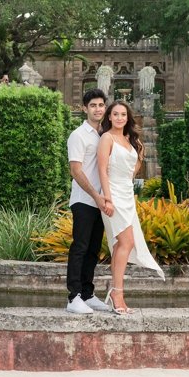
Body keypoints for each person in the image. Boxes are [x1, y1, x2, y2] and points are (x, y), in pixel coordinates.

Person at [96, 100, 164, 314]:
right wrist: (107, 198)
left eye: (123, 114)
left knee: (119, 245)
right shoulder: (106, 138)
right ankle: (118, 293)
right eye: (115, 114)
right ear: (109, 117)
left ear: (127, 118)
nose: (119, 118)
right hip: (113, 195)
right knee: (126, 242)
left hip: (127, 195)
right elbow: (102, 170)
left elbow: (131, 172)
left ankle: (114, 289)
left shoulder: (128, 139)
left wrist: (139, 155)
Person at [64, 88, 113, 314]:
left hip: (101, 202)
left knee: (93, 250)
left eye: (101, 105)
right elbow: (76, 170)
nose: (97, 109)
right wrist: (96, 195)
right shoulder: (78, 135)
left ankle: (87, 293)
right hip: (84, 200)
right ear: (85, 108)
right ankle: (73, 297)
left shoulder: (104, 134)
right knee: (80, 248)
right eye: (93, 105)